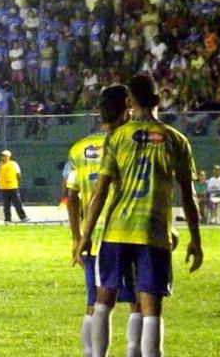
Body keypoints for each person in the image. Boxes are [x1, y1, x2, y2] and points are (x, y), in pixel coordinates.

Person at [77, 74, 203, 357]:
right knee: (151, 309)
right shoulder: (176, 140)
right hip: (153, 233)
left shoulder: (118, 138)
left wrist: (86, 235)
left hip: (116, 231)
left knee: (104, 299)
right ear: (158, 100)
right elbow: (188, 195)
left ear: (129, 102)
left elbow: (100, 191)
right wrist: (196, 239)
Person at [66, 85, 141, 357]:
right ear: (125, 107)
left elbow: (71, 195)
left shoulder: (78, 149)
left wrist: (77, 236)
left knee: (94, 301)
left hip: (93, 237)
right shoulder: (130, 143)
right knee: (138, 302)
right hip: (129, 232)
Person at [0, 150, 28, 224]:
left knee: (17, 203)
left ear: (9, 157)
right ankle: (8, 219)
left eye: (5, 156)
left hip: (13, 187)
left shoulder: (14, 164)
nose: (3, 157)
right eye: (2, 156)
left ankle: (23, 217)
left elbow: (18, 174)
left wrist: (16, 183)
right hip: (4, 188)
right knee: (6, 204)